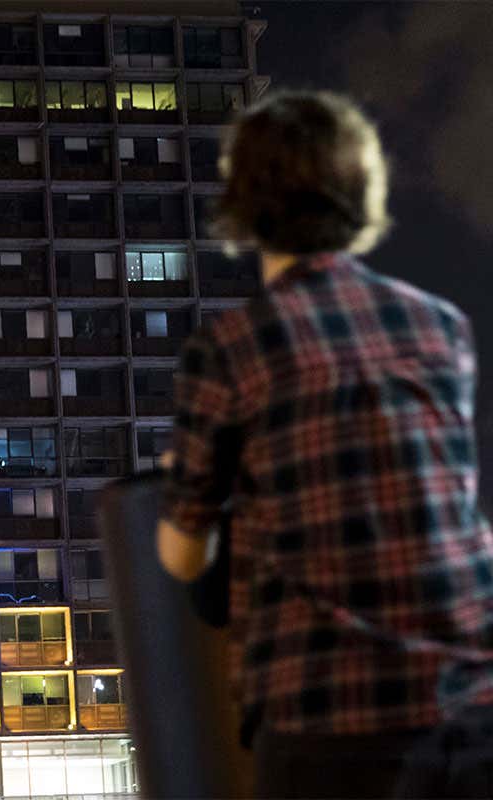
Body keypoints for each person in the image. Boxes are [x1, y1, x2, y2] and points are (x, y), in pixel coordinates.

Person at [156, 90, 493, 798]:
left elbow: (185, 552)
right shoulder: (442, 326)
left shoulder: (230, 347)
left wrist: (193, 483)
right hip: (470, 699)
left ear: (243, 203)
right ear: (362, 191)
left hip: (328, 711)